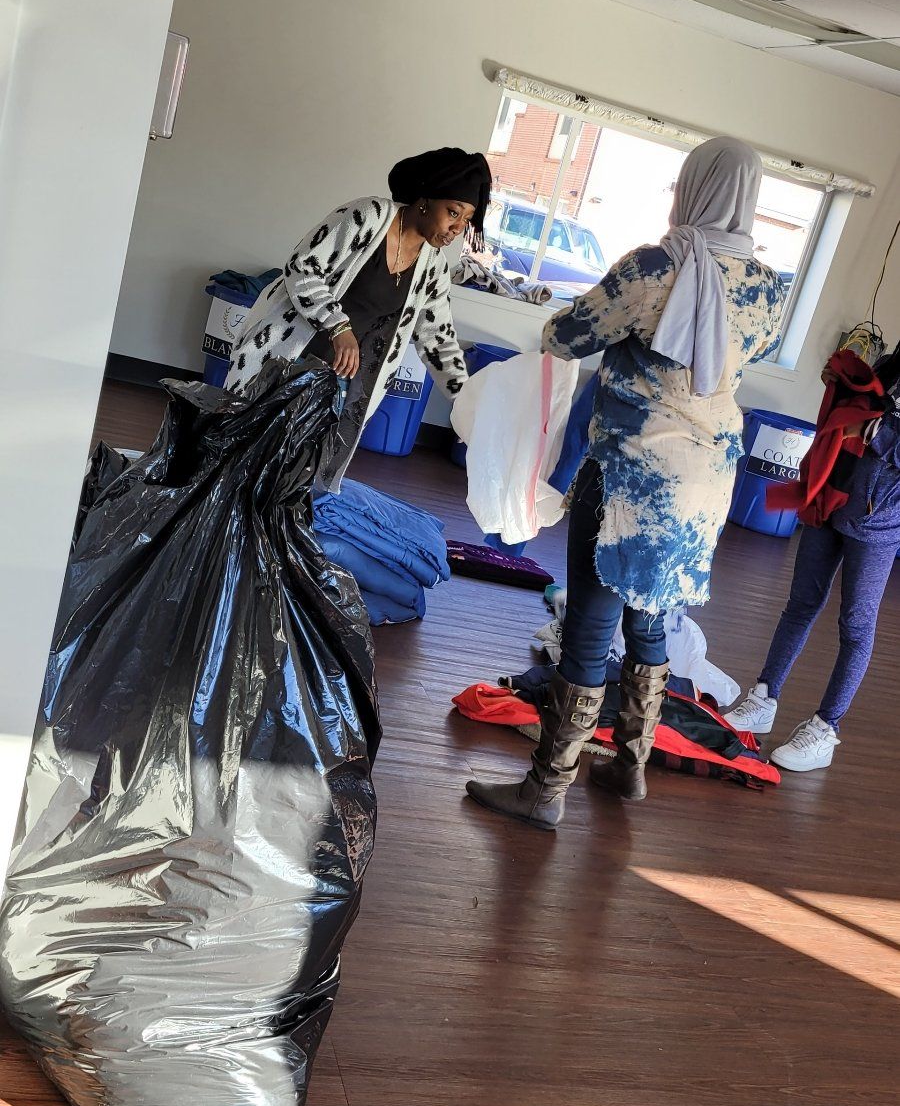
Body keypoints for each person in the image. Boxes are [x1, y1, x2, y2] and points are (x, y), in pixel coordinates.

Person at [466, 136, 785, 830]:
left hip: (631, 479)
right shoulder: (768, 287)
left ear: (692, 187)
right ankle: (629, 766)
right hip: (705, 487)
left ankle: (547, 789)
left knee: (589, 625)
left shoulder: (653, 267)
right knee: (654, 616)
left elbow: (566, 335)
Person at [225, 147, 491, 488]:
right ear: (425, 201)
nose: (457, 228)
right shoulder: (369, 216)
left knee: (294, 474)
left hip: (336, 382)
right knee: (242, 450)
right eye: (452, 212)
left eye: (465, 220)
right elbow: (302, 266)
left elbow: (437, 338)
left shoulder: (433, 266)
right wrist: (339, 326)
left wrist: (467, 403)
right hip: (282, 359)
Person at [725, 347, 900, 771]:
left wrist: (875, 433)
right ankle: (764, 696)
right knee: (800, 605)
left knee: (855, 628)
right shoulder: (893, 364)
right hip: (828, 502)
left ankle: (825, 727)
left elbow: (875, 433)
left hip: (877, 525)